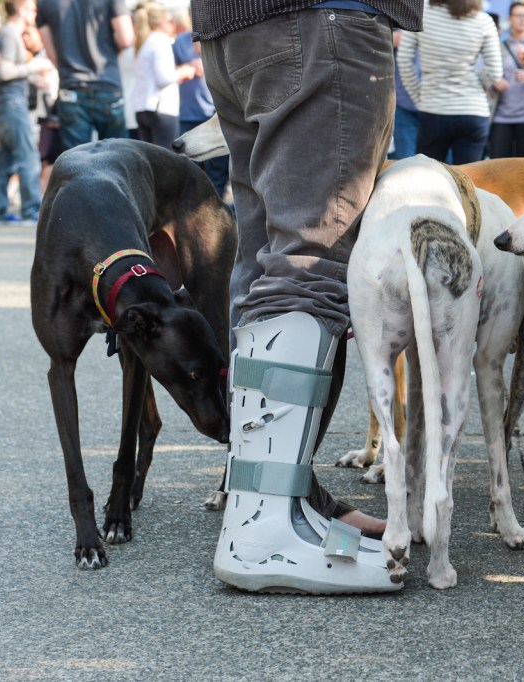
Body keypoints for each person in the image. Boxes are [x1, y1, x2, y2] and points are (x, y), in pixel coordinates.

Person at [191, 0, 423, 593]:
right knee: (305, 262)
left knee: (265, 264)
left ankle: (274, 505)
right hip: (322, 21)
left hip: (236, 27)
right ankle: (264, 532)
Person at [398, 0, 504, 164]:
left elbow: (404, 61)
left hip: (433, 109)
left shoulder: (420, 11)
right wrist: (474, 76)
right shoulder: (483, 20)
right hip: (473, 110)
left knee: (428, 179)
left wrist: (420, 98)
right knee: (469, 183)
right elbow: (495, 73)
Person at [36, 0, 134, 150]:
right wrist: (108, 55)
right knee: (118, 158)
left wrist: (69, 68)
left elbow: (52, 54)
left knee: (76, 161)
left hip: (71, 88)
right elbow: (126, 39)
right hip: (107, 83)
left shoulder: (44, 2)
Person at [0, 0, 51, 223]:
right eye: (32, 9)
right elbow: (5, 71)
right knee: (28, 157)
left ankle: (1, 209)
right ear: (20, 10)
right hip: (13, 103)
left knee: (7, 159)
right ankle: (31, 210)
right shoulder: (10, 34)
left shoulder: (9, 33)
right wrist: (32, 68)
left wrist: (30, 77)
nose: (35, 13)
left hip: (10, 102)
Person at [171, 10, 228, 198]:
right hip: (192, 111)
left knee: (216, 174)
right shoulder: (181, 41)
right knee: (192, 172)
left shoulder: (223, 36)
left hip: (212, 110)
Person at [128, 2, 195, 149]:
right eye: (170, 21)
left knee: (149, 158)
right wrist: (185, 70)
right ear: (163, 22)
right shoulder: (160, 41)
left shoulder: (144, 43)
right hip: (161, 109)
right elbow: (164, 78)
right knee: (166, 158)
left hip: (143, 108)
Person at [487, 2, 524, 158]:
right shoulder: (499, 46)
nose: (522, 20)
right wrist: (494, 81)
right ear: (510, 19)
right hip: (501, 116)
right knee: (499, 166)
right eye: (518, 16)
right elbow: (483, 71)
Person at [388, 28, 419, 160]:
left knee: (444, 165)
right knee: (405, 161)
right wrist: (390, 36)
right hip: (403, 103)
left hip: (436, 104)